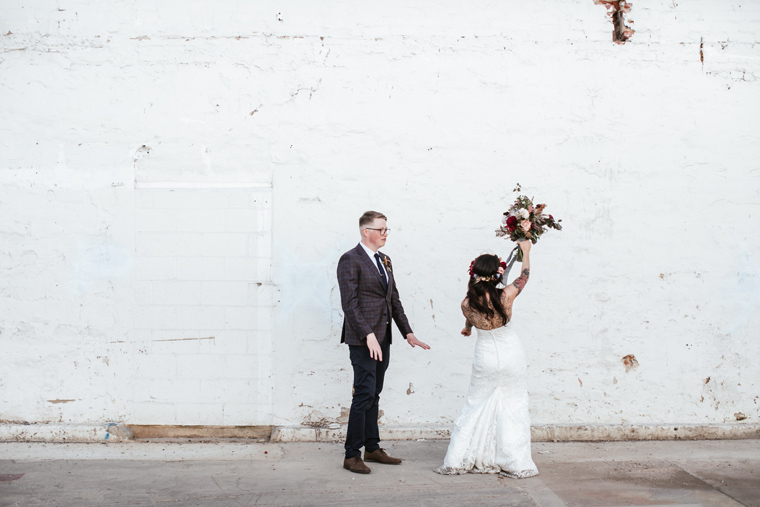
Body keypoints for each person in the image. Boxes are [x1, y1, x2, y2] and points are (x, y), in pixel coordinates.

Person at [434, 240, 538, 479]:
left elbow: (471, 315)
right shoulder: (507, 295)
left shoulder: (466, 303)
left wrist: (468, 328)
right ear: (496, 275)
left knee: (475, 404)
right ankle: (514, 460)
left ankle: (458, 458)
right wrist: (527, 252)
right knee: (513, 404)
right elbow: (525, 274)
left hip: (485, 358)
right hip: (511, 354)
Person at [337, 211, 431, 474]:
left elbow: (393, 300)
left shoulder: (385, 260)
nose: (385, 233)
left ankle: (372, 447)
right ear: (366, 231)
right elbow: (350, 303)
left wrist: (407, 332)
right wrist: (368, 335)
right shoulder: (350, 259)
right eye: (381, 229)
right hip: (363, 339)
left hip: (383, 337)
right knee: (363, 393)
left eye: (387, 229)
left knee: (374, 393)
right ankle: (351, 454)